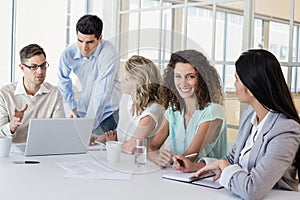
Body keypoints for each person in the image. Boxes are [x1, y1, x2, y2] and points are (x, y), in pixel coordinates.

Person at [174, 49, 300, 200]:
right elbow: (233, 160)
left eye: (237, 79)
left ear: (252, 86)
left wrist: (224, 166)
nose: (234, 85)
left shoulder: (286, 130)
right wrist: (196, 166)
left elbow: (253, 189)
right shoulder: (249, 115)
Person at [147, 49, 228, 167]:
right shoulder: (173, 110)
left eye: (190, 76)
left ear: (201, 78)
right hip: (178, 177)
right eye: (178, 76)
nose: (183, 83)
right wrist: (157, 157)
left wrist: (172, 159)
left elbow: (190, 157)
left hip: (207, 181)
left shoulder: (213, 112)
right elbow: (151, 147)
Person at [58, 14, 121, 136]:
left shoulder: (109, 52)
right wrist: (73, 107)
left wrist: (87, 126)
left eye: (90, 42)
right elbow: (63, 80)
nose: (84, 48)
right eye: (80, 41)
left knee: (97, 151)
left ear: (100, 38)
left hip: (108, 113)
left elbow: (102, 91)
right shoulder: (68, 54)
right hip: (83, 110)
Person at [92, 55, 165, 154]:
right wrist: (97, 139)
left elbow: (132, 147)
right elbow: (122, 133)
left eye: (126, 79)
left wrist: (112, 143)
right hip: (121, 157)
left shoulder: (152, 111)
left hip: (139, 164)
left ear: (138, 83)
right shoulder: (127, 99)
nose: (122, 81)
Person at [0, 44, 65, 143]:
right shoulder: (5, 94)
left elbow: (59, 131)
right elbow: (0, 133)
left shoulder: (54, 93)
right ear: (22, 68)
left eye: (43, 66)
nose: (40, 71)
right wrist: (12, 125)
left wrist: (68, 126)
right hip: (13, 154)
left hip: (45, 152)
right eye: (34, 67)